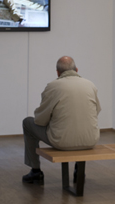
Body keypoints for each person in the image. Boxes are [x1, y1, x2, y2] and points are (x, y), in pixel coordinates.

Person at [22, 56, 101, 184]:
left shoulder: (53, 86)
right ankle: (78, 169)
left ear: (58, 72)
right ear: (76, 69)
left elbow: (40, 120)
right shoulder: (90, 85)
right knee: (81, 124)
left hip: (62, 141)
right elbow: (96, 111)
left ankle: (35, 171)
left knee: (27, 122)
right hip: (91, 139)